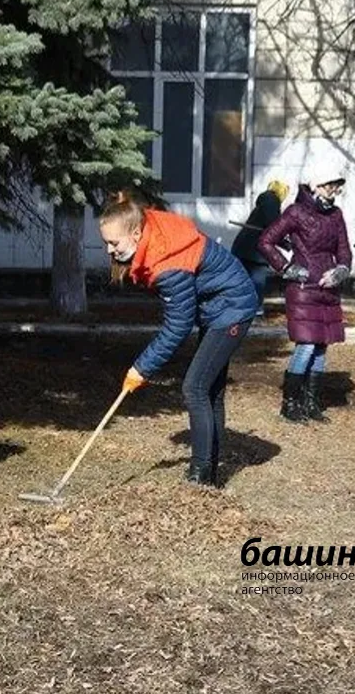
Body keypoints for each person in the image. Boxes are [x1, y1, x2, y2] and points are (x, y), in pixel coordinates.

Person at [98, 192, 260, 488]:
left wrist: (141, 369)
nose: (109, 250)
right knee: (208, 388)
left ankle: (200, 475)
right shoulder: (148, 232)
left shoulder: (168, 262)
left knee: (195, 387)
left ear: (136, 233)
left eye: (114, 243)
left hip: (232, 308)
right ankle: (210, 466)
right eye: (106, 242)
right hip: (218, 307)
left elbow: (178, 325)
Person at [257, 166, 352, 423]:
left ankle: (311, 402)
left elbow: (344, 249)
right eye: (329, 186)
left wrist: (341, 270)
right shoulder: (295, 212)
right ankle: (290, 403)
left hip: (328, 286)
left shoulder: (336, 215)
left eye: (336, 187)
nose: (333, 192)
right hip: (302, 288)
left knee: (321, 346)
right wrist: (287, 268)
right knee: (307, 345)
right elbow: (266, 240)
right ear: (315, 186)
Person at [229, 179, 290, 317]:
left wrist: (284, 243)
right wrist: (286, 243)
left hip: (244, 248)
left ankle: (239, 310)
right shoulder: (272, 201)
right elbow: (274, 227)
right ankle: (255, 312)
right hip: (255, 252)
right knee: (257, 281)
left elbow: (271, 229)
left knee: (242, 281)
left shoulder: (265, 202)